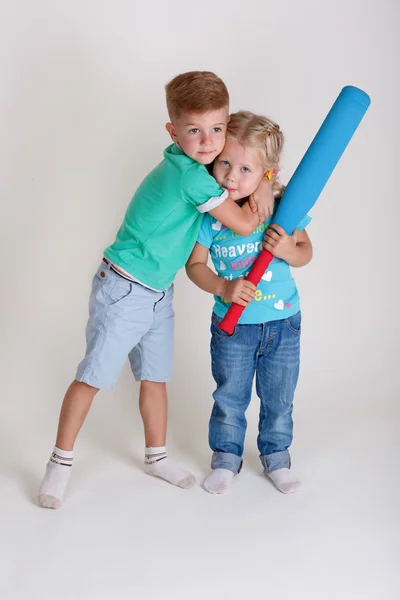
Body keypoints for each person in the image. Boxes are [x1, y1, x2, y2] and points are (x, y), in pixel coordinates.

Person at [38, 73, 274, 509]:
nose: (208, 142)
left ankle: (157, 457)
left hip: (158, 291)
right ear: (173, 131)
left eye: (217, 130)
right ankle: (59, 463)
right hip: (126, 288)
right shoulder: (192, 177)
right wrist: (262, 182)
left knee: (155, 378)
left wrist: (255, 174)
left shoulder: (191, 163)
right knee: (93, 377)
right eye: (194, 131)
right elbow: (244, 223)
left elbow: (227, 174)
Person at [186, 111, 313, 495]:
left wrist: (290, 249)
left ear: (266, 173)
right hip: (233, 327)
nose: (231, 176)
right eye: (225, 163)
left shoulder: (279, 205)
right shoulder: (212, 215)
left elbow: (306, 252)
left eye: (245, 169)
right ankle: (226, 458)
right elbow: (195, 267)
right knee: (229, 396)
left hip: (283, 322)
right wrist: (224, 287)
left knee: (279, 396)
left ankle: (276, 456)